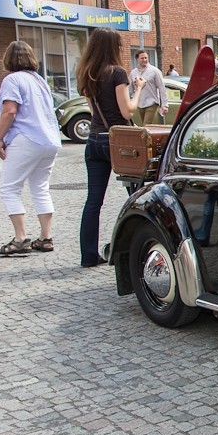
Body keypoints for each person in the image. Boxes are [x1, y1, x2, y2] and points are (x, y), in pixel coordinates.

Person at [76, 28, 146, 268]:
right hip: (118, 142)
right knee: (138, 195)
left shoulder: (87, 73)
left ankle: (88, 255)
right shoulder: (117, 73)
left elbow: (94, 111)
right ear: (113, 47)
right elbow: (127, 112)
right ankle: (140, 248)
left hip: (94, 140)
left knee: (93, 201)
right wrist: (139, 90)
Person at [0, 41, 62, 256]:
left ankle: (20, 238)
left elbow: (10, 111)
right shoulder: (39, 80)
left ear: (8, 59)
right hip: (49, 140)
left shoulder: (12, 80)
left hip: (26, 138)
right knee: (40, 187)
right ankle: (45, 237)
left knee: (9, 188)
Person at [129, 50, 168, 126]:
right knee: (144, 127)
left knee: (146, 125)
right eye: (142, 58)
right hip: (140, 104)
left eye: (146, 58)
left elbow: (162, 88)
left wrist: (164, 105)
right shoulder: (133, 73)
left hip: (152, 103)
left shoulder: (154, 71)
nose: (144, 60)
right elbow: (130, 89)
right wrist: (131, 100)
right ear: (137, 59)